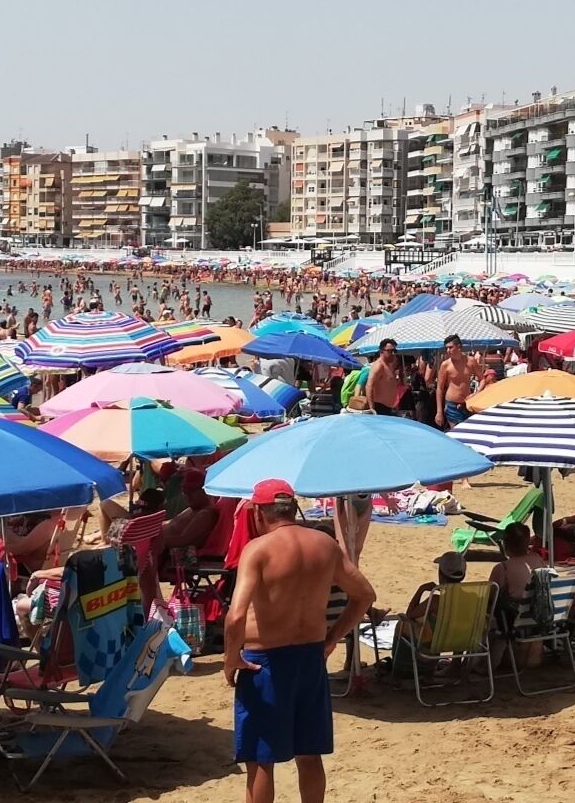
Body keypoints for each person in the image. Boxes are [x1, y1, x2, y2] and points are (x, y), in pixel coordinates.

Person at [225, 479, 375, 803]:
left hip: (264, 662)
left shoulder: (258, 549)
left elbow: (236, 616)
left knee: (261, 760)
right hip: (310, 657)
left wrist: (230, 658)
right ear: (292, 508)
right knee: (309, 755)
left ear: (259, 512)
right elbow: (364, 596)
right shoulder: (325, 545)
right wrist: (332, 639)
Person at [434, 335, 479, 430]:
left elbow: (482, 379)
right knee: (457, 433)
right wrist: (439, 412)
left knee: (469, 432)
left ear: (459, 347)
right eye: (447, 348)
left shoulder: (471, 361)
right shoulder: (445, 365)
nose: (448, 351)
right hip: (452, 404)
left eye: (450, 347)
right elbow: (439, 388)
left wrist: (476, 393)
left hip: (468, 403)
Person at [364, 339, 405, 417]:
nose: (393, 353)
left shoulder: (389, 365)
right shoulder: (379, 366)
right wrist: (371, 407)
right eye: (389, 351)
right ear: (382, 351)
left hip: (389, 408)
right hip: (380, 408)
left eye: (394, 351)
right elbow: (369, 386)